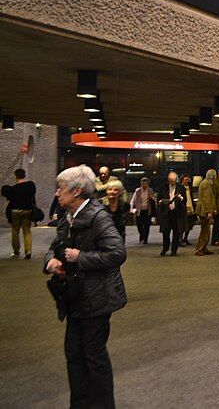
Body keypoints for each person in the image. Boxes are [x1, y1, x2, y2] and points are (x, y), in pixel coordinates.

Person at [44, 165, 127, 408]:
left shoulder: (98, 217)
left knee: (93, 357)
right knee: (74, 356)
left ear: (77, 190)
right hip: (75, 296)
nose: (57, 194)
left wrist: (80, 257)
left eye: (61, 189)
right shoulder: (68, 217)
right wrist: (51, 260)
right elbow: (54, 245)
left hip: (97, 299)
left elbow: (117, 253)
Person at [6, 168, 36, 259]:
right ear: (24, 175)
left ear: (16, 176)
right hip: (27, 210)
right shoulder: (30, 185)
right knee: (27, 231)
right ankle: (28, 251)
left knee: (15, 231)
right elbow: (33, 196)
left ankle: (16, 252)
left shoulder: (13, 189)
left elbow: (10, 200)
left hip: (15, 211)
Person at [157, 172, 186, 257]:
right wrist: (162, 202)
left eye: (173, 181)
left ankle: (174, 250)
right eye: (170, 181)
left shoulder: (181, 187)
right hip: (166, 213)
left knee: (176, 232)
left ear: (176, 180)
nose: (172, 183)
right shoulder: (163, 187)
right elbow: (158, 199)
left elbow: (185, 200)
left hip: (177, 213)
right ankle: (165, 248)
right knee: (165, 232)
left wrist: (181, 199)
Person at [194, 169, 217, 256]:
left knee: (206, 230)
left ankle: (204, 247)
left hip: (202, 209)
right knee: (205, 231)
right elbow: (207, 199)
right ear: (212, 176)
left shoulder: (205, 183)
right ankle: (199, 249)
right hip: (204, 210)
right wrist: (209, 212)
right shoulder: (207, 184)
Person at [130, 177, 155, 244]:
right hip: (139, 210)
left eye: (146, 184)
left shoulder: (150, 190)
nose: (144, 185)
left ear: (148, 184)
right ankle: (141, 235)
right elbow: (133, 200)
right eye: (143, 184)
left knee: (147, 225)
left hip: (147, 210)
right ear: (141, 184)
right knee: (139, 225)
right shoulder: (137, 191)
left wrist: (152, 198)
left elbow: (153, 200)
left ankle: (145, 239)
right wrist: (131, 208)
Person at [179, 174, 195, 246]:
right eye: (185, 180)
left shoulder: (189, 188)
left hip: (190, 208)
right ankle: (180, 239)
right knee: (182, 225)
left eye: (187, 180)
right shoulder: (179, 188)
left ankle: (186, 238)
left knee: (189, 225)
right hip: (183, 209)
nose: (187, 181)